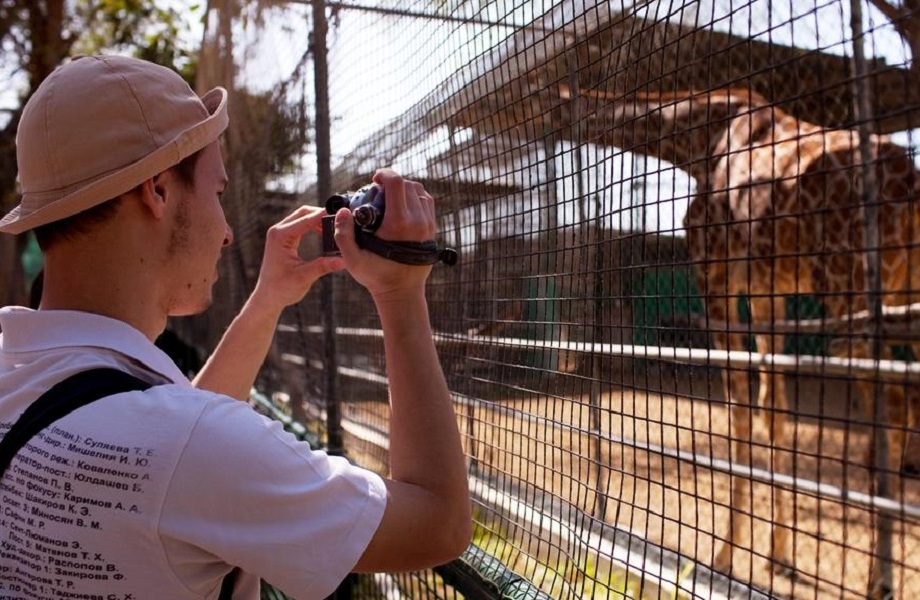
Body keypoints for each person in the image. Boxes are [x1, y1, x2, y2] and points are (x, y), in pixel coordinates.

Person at [0, 55, 471, 599]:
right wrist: (400, 292)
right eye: (218, 193)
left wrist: (269, 299)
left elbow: (168, 453)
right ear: (157, 190)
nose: (227, 232)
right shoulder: (188, 445)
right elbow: (438, 523)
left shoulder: (21, 376)